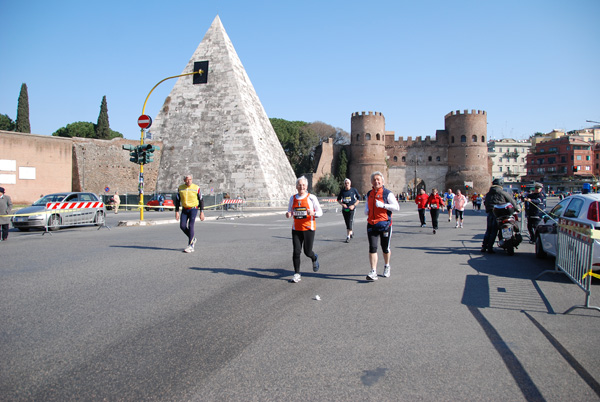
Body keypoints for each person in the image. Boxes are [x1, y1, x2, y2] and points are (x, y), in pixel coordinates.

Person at [285, 176, 322, 283]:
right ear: (296, 186)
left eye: (303, 185)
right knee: (296, 251)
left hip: (308, 228)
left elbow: (320, 212)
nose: (301, 187)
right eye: (299, 185)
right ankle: (297, 273)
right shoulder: (293, 198)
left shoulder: (312, 198)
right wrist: (288, 214)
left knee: (307, 251)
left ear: (306, 187)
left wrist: (313, 213)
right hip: (296, 229)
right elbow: (290, 211)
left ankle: (314, 257)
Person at [364, 171, 400, 280]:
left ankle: (387, 266)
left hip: (385, 224)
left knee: (385, 248)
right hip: (371, 224)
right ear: (371, 182)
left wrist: (383, 205)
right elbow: (367, 205)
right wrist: (366, 210)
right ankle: (373, 271)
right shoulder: (369, 194)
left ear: (382, 181)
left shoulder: (387, 193)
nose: (376, 181)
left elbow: (396, 207)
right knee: (372, 248)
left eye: (378, 179)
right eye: (374, 180)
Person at [482, 178, 520, 253]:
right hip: (500, 214)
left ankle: (484, 246)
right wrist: (516, 208)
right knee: (494, 231)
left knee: (489, 231)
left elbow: (485, 203)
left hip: (490, 213)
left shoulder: (488, 194)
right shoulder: (503, 193)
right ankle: (490, 248)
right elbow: (512, 201)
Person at [175, 174, 205, 253]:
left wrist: (202, 212)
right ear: (184, 180)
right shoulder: (180, 188)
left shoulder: (196, 188)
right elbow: (177, 200)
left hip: (193, 209)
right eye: (187, 180)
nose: (189, 181)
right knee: (182, 226)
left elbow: (201, 200)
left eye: (190, 179)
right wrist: (177, 211)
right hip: (185, 209)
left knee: (191, 225)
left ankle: (191, 245)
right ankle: (193, 238)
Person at [337, 178, 360, 242]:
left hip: (352, 209)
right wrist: (342, 204)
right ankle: (351, 232)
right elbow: (338, 199)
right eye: (345, 183)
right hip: (345, 209)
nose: (347, 184)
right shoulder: (342, 191)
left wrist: (354, 205)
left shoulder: (354, 190)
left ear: (350, 184)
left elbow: (358, 199)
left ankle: (348, 236)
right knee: (347, 222)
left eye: (348, 183)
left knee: (350, 222)